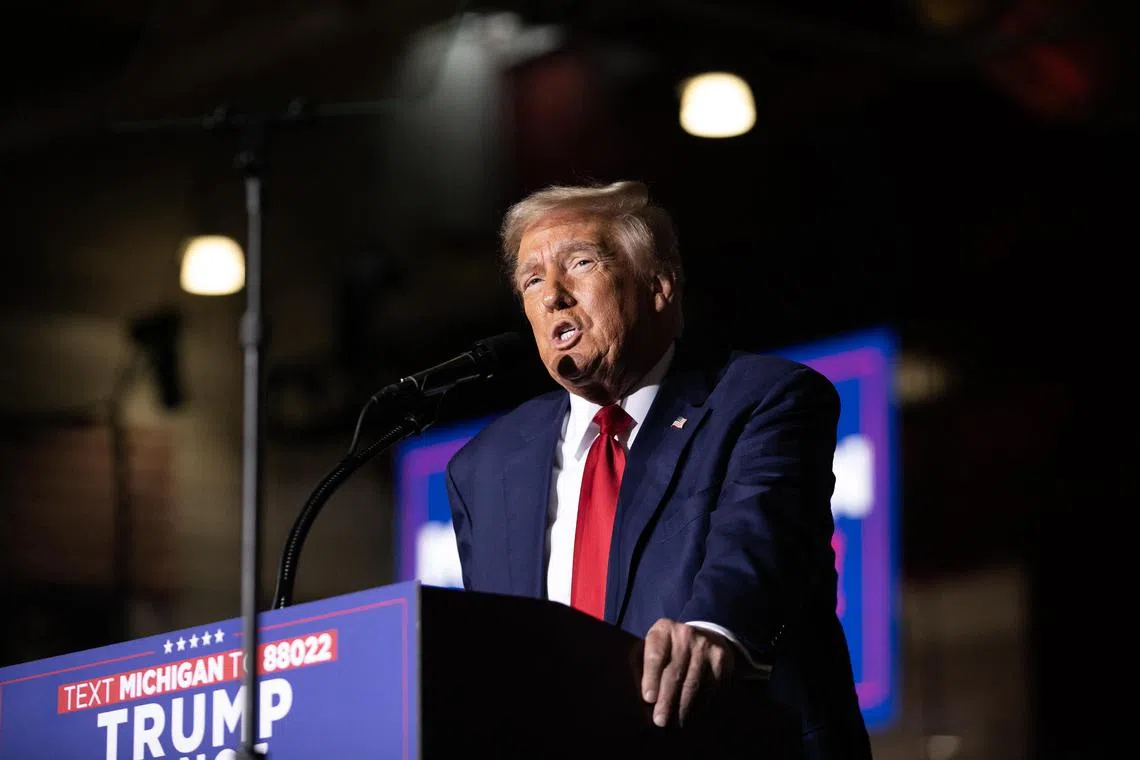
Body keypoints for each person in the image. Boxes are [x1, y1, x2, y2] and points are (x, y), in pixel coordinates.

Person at [445, 180, 872, 759]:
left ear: (659, 286)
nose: (553, 296)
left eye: (580, 263)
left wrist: (714, 630)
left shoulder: (761, 400)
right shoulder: (483, 467)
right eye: (532, 280)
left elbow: (760, 538)